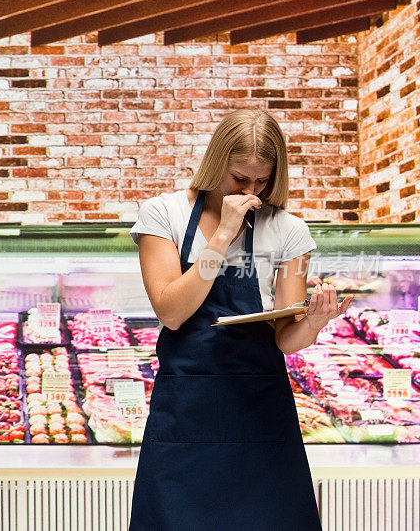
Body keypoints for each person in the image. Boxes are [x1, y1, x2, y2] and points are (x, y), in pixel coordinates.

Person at [127, 108, 353, 531]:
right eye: (239, 178)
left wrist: (314, 322)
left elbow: (286, 339)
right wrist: (223, 234)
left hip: (261, 417)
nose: (251, 191)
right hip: (186, 417)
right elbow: (171, 312)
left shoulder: (289, 230)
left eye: (262, 181)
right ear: (216, 165)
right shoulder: (164, 214)